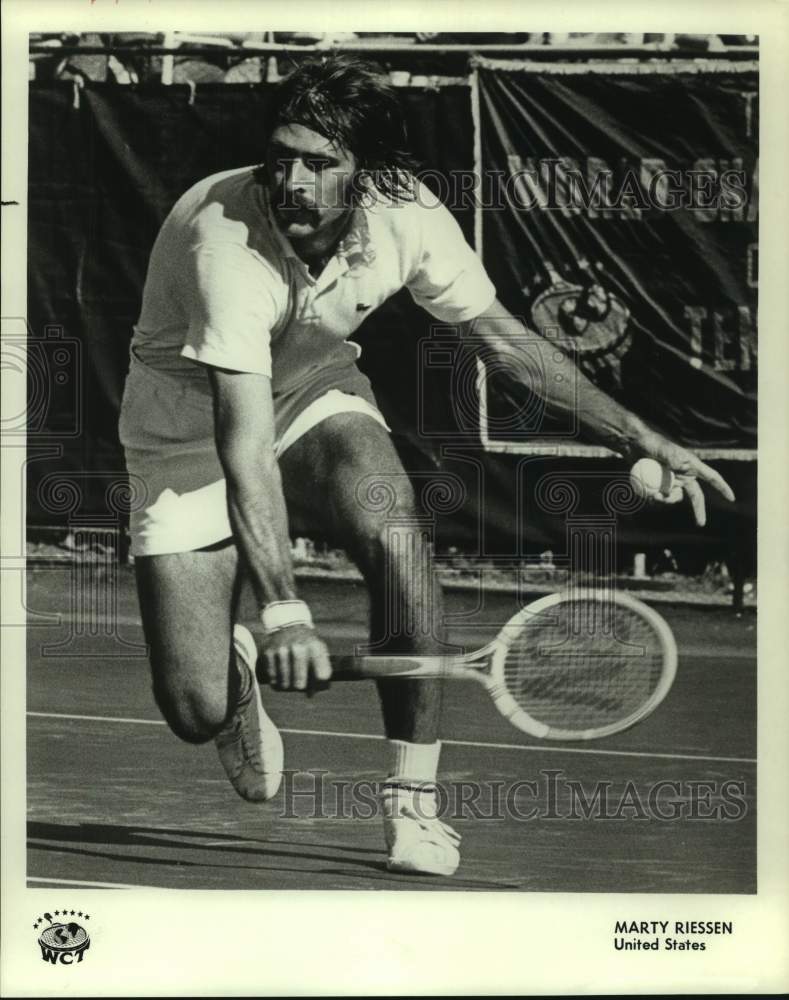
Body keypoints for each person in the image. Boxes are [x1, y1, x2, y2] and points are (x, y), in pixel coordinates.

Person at [119, 54, 734, 878]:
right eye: (282, 157)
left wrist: (637, 437)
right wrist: (284, 616)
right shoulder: (224, 244)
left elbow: (503, 340)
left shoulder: (407, 215)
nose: (293, 182)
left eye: (320, 163)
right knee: (192, 710)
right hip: (187, 432)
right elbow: (245, 452)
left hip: (313, 394)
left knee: (395, 531)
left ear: (368, 174)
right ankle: (230, 686)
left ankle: (412, 805)